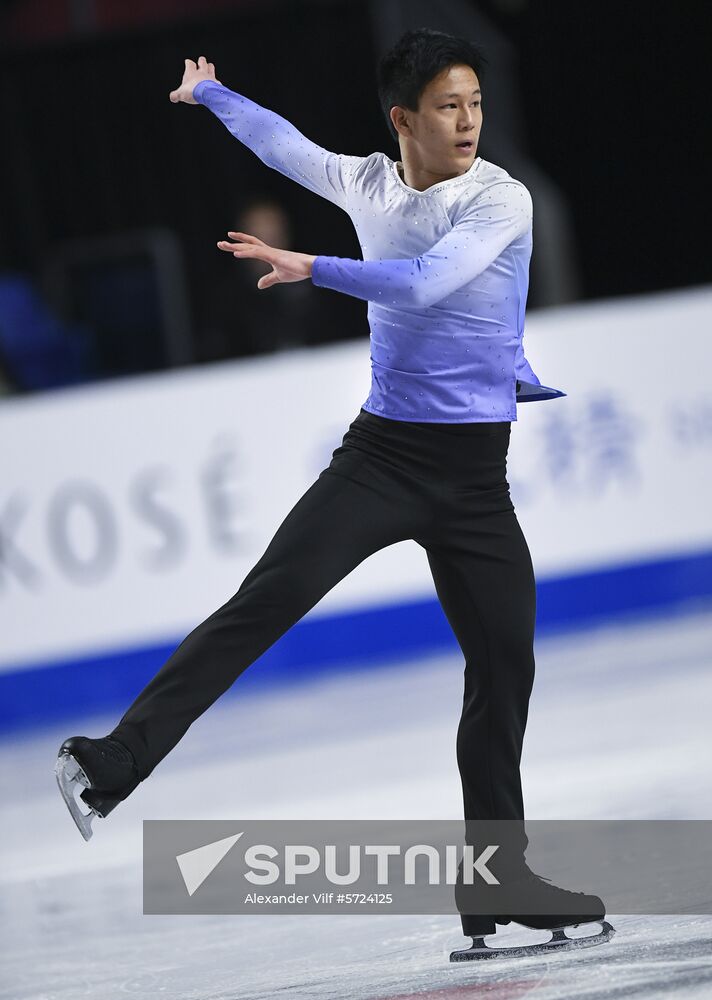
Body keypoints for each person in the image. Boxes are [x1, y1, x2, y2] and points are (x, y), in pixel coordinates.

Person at [55, 30, 612, 960]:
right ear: (404, 120)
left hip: (476, 481)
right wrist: (217, 97)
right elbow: (287, 147)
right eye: (448, 105)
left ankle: (496, 884)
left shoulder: (498, 198)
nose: (470, 120)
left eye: (476, 101)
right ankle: (114, 761)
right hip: (382, 461)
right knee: (264, 603)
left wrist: (315, 268)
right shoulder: (366, 183)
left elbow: (432, 283)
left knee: (504, 671)